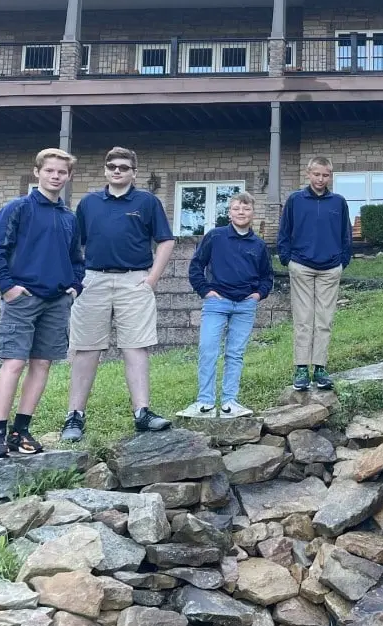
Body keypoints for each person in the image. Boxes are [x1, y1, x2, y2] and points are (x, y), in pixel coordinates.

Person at [61, 147, 175, 442]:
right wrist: (76, 279)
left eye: (124, 167)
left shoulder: (147, 202)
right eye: (111, 166)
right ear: (105, 170)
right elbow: (75, 245)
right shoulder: (88, 203)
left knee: (136, 347)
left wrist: (151, 280)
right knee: (86, 348)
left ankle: (142, 413)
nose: (117, 171)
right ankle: (74, 415)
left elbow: (165, 241)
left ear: (134, 172)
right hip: (94, 280)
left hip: (134, 281)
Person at [0, 148, 85, 458]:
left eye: (62, 172)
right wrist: (7, 287)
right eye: (50, 170)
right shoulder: (18, 208)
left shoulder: (69, 217)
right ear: (37, 172)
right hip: (23, 298)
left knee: (42, 364)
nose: (56, 176)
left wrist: (75, 287)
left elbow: (76, 258)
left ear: (68, 177)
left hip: (57, 301)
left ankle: (20, 431)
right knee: (14, 363)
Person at [184, 192, 273, 418]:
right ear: (229, 212)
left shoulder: (259, 245)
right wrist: (206, 291)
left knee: (235, 353)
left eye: (245, 209)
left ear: (253, 212)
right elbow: (196, 266)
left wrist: (257, 295)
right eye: (236, 209)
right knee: (208, 349)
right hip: (217, 303)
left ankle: (229, 402)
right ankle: (204, 402)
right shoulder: (215, 237)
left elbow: (267, 276)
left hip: (245, 305)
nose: (241, 213)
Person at [278, 156, 352, 391]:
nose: (321, 179)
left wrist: (343, 260)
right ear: (308, 174)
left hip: (330, 268)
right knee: (303, 319)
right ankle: (301, 368)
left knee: (324, 320)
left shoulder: (338, 202)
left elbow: (345, 234)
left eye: (325, 175)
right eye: (317, 174)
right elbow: (284, 232)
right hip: (301, 266)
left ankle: (320, 367)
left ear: (330, 176)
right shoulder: (295, 200)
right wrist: (286, 259)